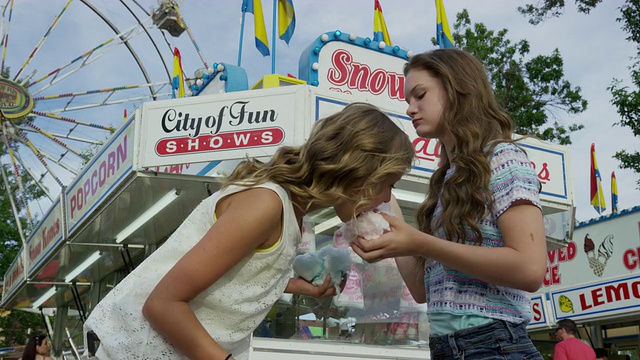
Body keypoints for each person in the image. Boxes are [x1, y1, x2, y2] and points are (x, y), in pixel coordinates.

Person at [82, 102, 415, 360]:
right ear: (357, 171)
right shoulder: (266, 204)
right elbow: (163, 304)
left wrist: (298, 286)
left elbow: (233, 271)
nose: (386, 198)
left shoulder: (292, 215)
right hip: (129, 347)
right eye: (388, 183)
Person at [351, 48, 547, 359]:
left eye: (420, 95)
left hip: (495, 344)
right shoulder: (446, 181)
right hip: (448, 348)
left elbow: (530, 269)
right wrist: (385, 207)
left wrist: (422, 243)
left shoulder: (504, 158)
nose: (410, 109)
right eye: (408, 101)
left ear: (457, 89)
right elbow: (420, 290)